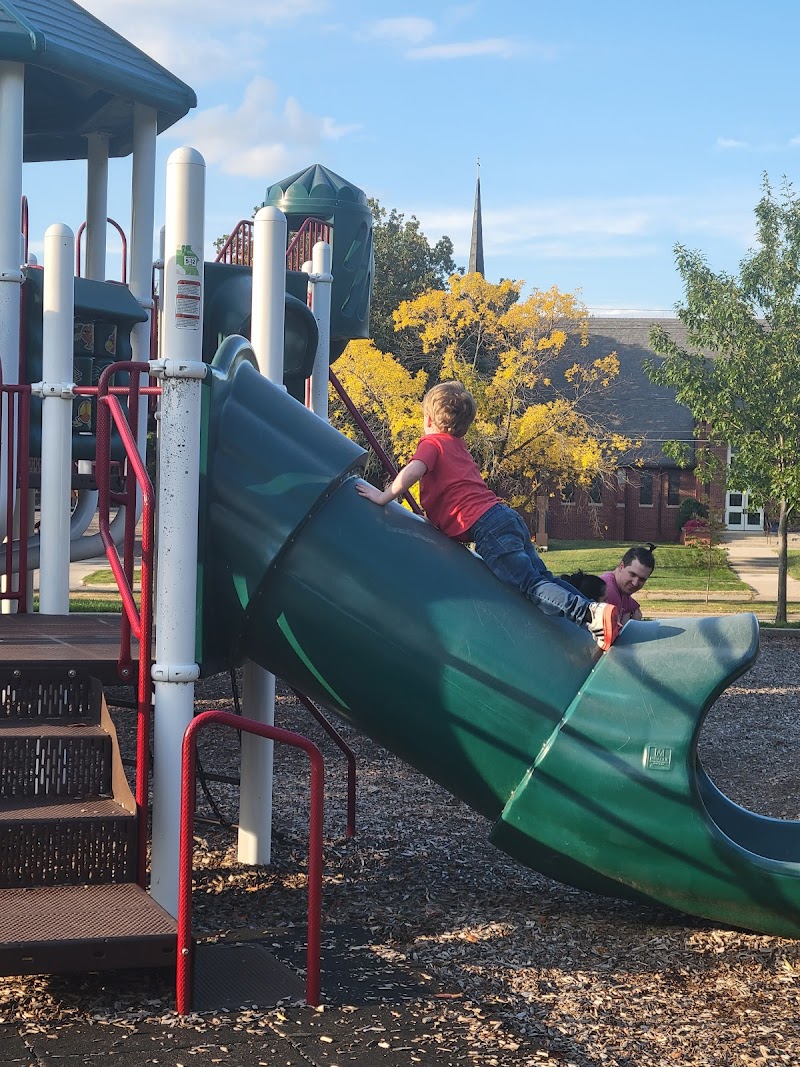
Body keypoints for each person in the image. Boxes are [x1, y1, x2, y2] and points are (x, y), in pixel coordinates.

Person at [356, 381, 620, 651]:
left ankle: (590, 615)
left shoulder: (432, 443)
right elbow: (456, 492)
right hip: (504, 516)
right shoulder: (458, 447)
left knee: (530, 585)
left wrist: (383, 496)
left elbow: (413, 472)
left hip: (488, 528)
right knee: (544, 576)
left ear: (428, 419)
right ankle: (599, 612)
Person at [600, 544, 656, 625]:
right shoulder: (607, 591)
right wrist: (634, 624)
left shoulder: (622, 589)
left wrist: (632, 612)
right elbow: (612, 636)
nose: (635, 583)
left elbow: (633, 607)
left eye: (642, 579)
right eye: (632, 574)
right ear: (621, 566)